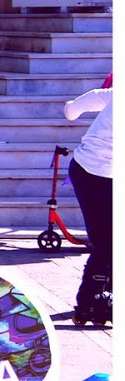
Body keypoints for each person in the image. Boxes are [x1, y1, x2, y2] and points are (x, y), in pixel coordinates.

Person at [63, 83, 111, 326]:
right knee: (107, 242)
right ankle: (88, 303)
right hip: (92, 175)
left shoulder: (115, 94)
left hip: (95, 172)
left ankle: (105, 296)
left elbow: (83, 103)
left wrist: (70, 108)